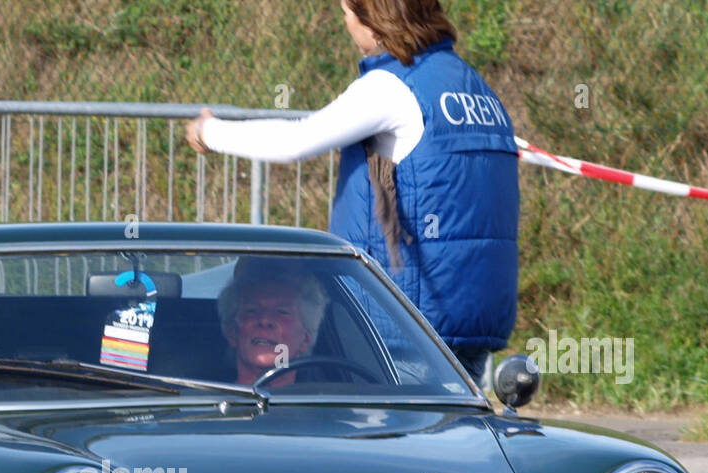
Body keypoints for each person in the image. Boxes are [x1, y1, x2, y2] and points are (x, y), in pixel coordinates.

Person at [185, 0, 518, 389]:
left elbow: (297, 141)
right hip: (471, 323)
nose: (346, 26)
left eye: (347, 15)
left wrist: (210, 133)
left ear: (375, 23)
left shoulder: (391, 87)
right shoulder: (476, 89)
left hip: (406, 327)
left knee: (391, 447)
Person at [217, 257, 328, 385]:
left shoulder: (338, 401)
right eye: (252, 310)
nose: (265, 320)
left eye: (281, 312)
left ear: (306, 340)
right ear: (231, 333)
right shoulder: (207, 403)